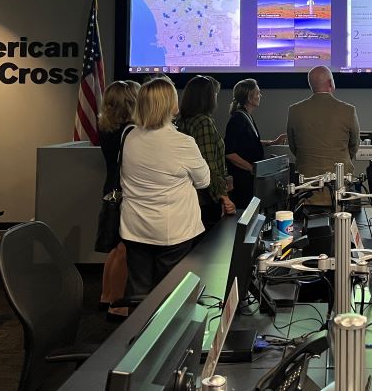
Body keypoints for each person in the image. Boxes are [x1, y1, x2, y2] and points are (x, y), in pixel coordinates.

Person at [120, 77, 210, 296]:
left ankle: (136, 331)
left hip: (135, 228)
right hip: (172, 231)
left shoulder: (130, 136)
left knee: (138, 293)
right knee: (169, 294)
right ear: (169, 104)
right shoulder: (182, 142)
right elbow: (204, 180)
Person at [286, 66, 360, 206]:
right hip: (340, 189)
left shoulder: (294, 110)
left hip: (306, 189)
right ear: (331, 83)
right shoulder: (348, 110)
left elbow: (293, 147)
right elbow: (354, 145)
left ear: (311, 86)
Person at [97, 80, 138, 320]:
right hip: (124, 189)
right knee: (124, 248)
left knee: (114, 247)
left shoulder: (107, 127)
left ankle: (106, 295)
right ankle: (117, 303)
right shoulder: (129, 131)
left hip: (111, 187)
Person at [177, 75, 235, 231]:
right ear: (207, 97)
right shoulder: (203, 122)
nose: (216, 97)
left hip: (189, 196)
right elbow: (209, 164)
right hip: (207, 199)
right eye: (215, 94)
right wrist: (223, 196)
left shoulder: (182, 120)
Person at [224, 78, 286, 209]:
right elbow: (229, 152)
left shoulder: (246, 116)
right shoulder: (238, 119)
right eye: (258, 93)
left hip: (248, 179)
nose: (260, 96)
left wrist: (272, 142)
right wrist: (251, 168)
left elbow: (248, 142)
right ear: (249, 97)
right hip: (242, 181)